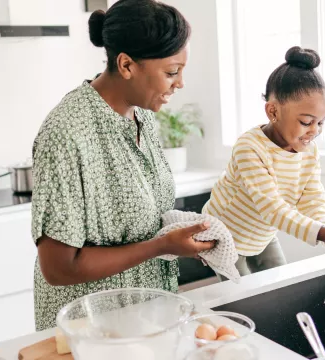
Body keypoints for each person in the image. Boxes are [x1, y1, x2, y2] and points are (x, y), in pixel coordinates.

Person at [31, 0, 215, 331]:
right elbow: (58, 268)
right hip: (89, 330)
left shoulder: (141, 113)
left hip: (145, 317)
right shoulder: (68, 132)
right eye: (171, 72)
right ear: (126, 65)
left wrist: (182, 234)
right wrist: (162, 246)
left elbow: (142, 218)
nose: (180, 83)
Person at [202, 46, 325, 280]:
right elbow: (273, 209)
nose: (314, 131)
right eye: (306, 122)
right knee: (243, 299)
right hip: (225, 236)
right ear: (273, 111)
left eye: (321, 123)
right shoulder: (250, 147)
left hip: (262, 233)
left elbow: (312, 199)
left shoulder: (309, 152)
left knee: (280, 284)